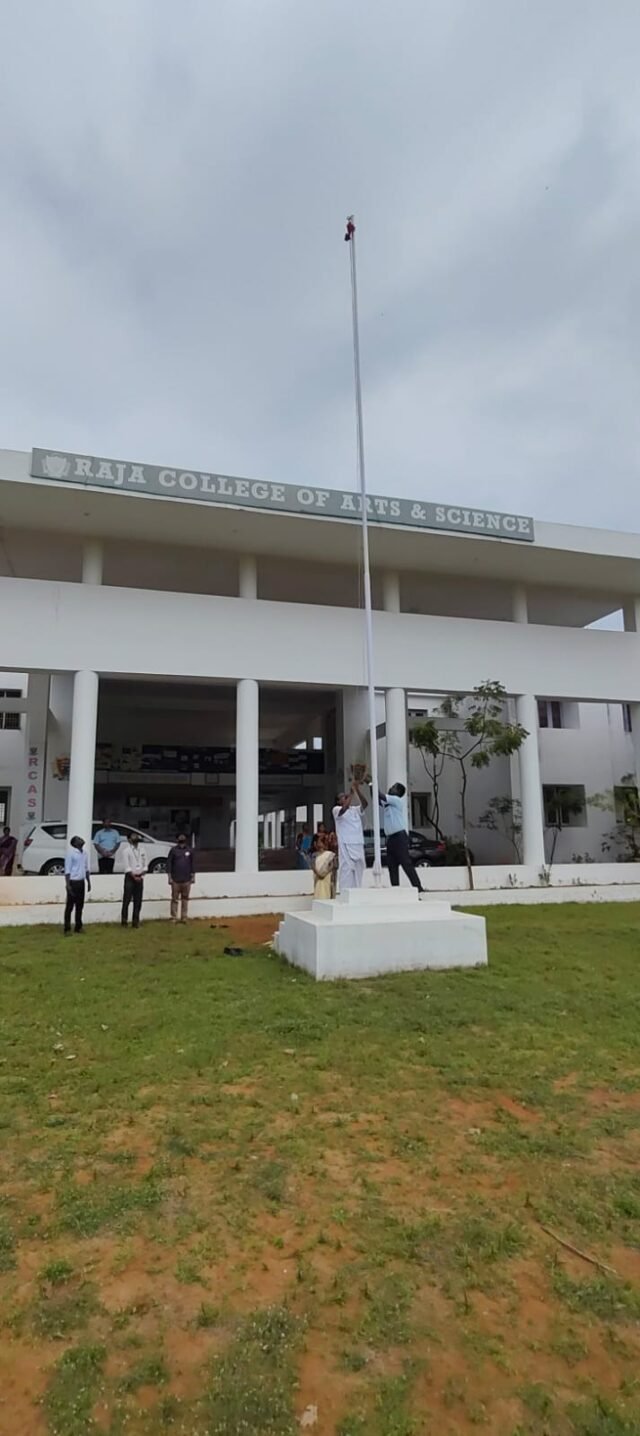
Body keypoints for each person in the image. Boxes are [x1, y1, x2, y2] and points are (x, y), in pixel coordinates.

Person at [379, 783, 425, 893]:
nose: (390, 788)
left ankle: (418, 887)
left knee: (406, 863)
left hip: (399, 837)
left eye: (394, 787)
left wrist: (372, 783)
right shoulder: (388, 802)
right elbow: (376, 797)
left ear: (398, 792)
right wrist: (370, 785)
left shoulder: (396, 800)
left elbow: (380, 795)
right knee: (392, 865)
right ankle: (396, 889)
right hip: (390, 838)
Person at [332, 778, 368, 891]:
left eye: (345, 795)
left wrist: (357, 790)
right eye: (342, 796)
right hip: (346, 845)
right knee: (347, 869)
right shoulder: (336, 810)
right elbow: (344, 808)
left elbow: (365, 804)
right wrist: (351, 793)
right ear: (338, 801)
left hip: (358, 843)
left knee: (359, 868)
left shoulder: (354, 809)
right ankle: (344, 892)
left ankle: (357, 891)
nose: (345, 797)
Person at [63, 835, 91, 934]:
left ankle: (78, 927)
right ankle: (67, 928)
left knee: (80, 906)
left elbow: (86, 868)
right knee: (70, 906)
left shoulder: (85, 853)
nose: (81, 839)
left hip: (81, 882)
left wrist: (88, 881)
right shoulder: (71, 854)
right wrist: (68, 884)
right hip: (73, 881)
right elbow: (67, 870)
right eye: (78, 839)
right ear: (75, 843)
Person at [121, 831, 148, 928]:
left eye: (136, 836)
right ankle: (124, 921)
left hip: (140, 876)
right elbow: (127, 867)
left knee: (138, 900)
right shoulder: (126, 851)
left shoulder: (142, 850)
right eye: (133, 836)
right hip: (130, 877)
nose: (135, 838)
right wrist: (134, 876)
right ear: (129, 840)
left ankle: (135, 922)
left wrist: (141, 875)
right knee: (127, 900)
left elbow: (145, 864)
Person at [167, 832, 195, 923]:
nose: (182, 838)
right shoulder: (173, 850)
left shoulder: (190, 850)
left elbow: (193, 864)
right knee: (174, 899)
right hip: (175, 879)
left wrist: (193, 876)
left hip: (187, 879)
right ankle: (174, 917)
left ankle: (184, 917)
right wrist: (170, 877)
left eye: (184, 836)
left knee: (185, 899)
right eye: (180, 836)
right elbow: (169, 864)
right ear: (177, 839)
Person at [311, 832, 337, 899]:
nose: (320, 843)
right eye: (319, 841)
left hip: (327, 879)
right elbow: (313, 866)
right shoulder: (314, 855)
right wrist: (319, 874)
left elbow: (332, 866)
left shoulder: (330, 855)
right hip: (318, 878)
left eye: (321, 841)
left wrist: (324, 873)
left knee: (327, 894)